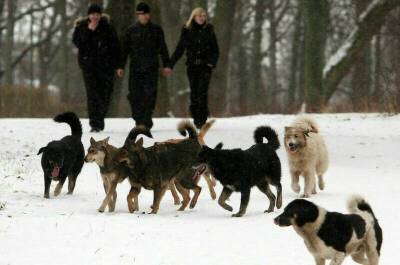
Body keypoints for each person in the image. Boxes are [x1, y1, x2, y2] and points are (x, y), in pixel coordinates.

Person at [117, 2, 170, 130]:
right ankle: (138, 118)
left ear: (149, 14)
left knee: (150, 95)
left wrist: (167, 65)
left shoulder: (156, 30)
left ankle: (146, 120)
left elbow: (163, 49)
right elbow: (124, 50)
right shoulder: (131, 31)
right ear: (137, 15)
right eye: (141, 14)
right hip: (135, 68)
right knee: (134, 95)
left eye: (146, 13)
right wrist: (121, 66)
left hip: (151, 68)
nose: (144, 16)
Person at [166, 7, 219, 129]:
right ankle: (196, 118)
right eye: (199, 16)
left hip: (205, 67)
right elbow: (180, 49)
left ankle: (202, 119)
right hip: (192, 66)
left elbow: (215, 50)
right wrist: (170, 64)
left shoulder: (209, 30)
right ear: (194, 17)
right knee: (195, 93)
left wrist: (212, 62)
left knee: (202, 92)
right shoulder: (187, 30)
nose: (202, 18)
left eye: (203, 16)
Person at [72, 4, 120, 132]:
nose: (95, 17)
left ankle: (100, 117)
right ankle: (95, 124)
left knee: (105, 94)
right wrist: (89, 31)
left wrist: (117, 65)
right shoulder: (81, 27)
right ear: (88, 15)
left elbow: (115, 46)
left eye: (97, 14)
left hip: (106, 67)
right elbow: (78, 43)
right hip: (89, 67)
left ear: (100, 15)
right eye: (92, 14)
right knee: (92, 94)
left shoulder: (108, 27)